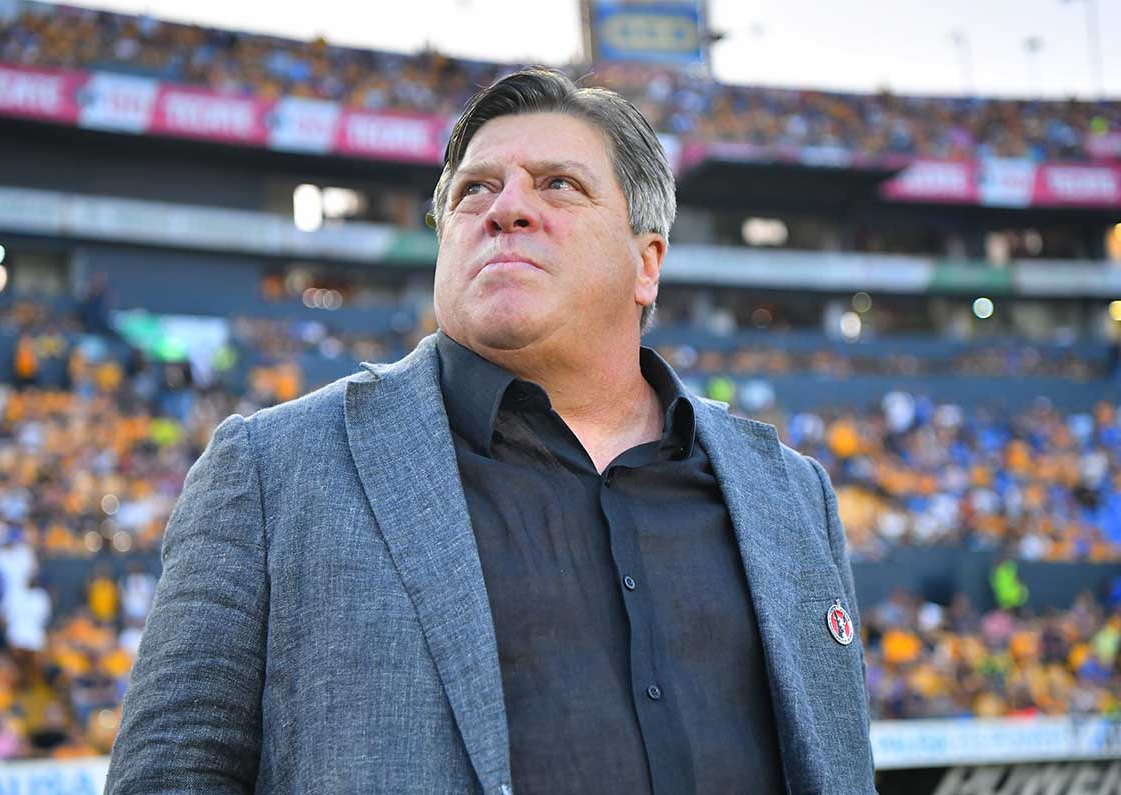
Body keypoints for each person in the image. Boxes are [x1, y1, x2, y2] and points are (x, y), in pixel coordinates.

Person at [105, 68, 876, 795]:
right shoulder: (271, 471)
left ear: (647, 263)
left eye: (558, 184)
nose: (506, 208)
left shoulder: (792, 494)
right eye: (475, 189)